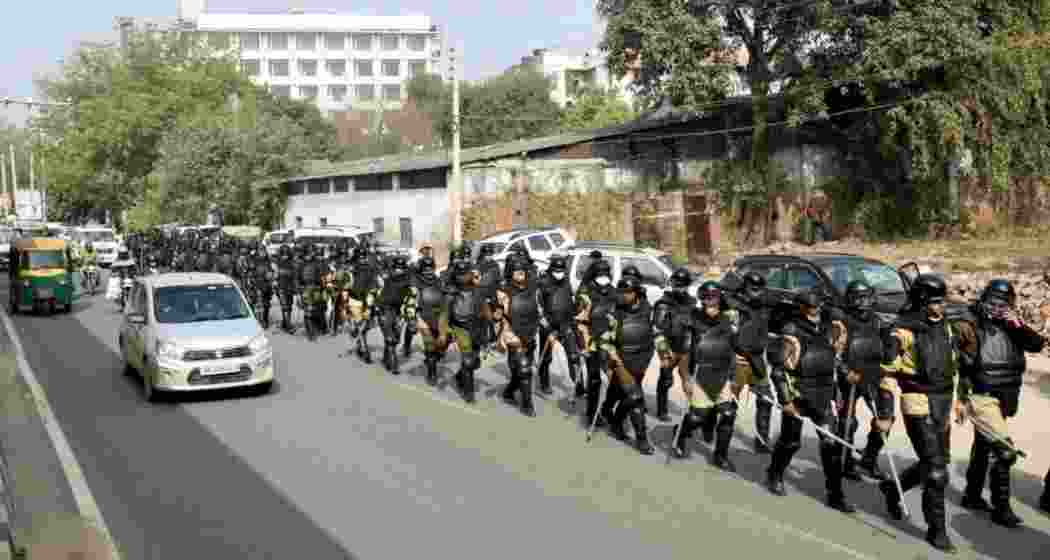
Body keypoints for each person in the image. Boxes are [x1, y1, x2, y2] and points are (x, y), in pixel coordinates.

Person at [954, 279, 1045, 527]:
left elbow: (1037, 345)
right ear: (984, 299)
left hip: (1006, 393)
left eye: (1003, 303)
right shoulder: (970, 322)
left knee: (984, 444)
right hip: (981, 393)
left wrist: (1018, 326)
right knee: (1004, 450)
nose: (998, 307)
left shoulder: (1011, 324)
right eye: (994, 301)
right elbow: (958, 363)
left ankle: (972, 496)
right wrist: (960, 398)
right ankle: (1001, 507)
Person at [879, 274, 959, 553]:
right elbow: (887, 374)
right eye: (936, 301)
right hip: (917, 399)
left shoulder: (948, 327)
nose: (942, 306)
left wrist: (961, 401)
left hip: (944, 399)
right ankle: (937, 530)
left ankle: (893, 488)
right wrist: (886, 413)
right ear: (923, 301)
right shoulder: (901, 331)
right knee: (936, 472)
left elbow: (955, 364)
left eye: (943, 301)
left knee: (936, 462)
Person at [766, 289, 856, 514]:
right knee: (791, 442)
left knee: (831, 445)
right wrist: (785, 399)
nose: (815, 310)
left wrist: (846, 372)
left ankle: (835, 494)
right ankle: (775, 474)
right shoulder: (791, 329)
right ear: (801, 307)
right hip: (798, 393)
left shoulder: (827, 328)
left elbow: (833, 358)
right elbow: (778, 369)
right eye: (810, 306)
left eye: (817, 306)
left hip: (824, 394)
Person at [830, 281, 896, 481]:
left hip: (874, 376)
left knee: (885, 419)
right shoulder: (840, 323)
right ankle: (845, 462)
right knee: (847, 423)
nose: (862, 303)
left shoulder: (878, 321)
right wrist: (844, 371)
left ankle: (869, 459)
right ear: (849, 300)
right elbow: (831, 352)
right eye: (857, 298)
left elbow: (888, 350)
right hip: (849, 378)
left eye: (865, 297)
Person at [670, 281, 739, 470]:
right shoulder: (691, 320)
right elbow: (684, 352)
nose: (710, 301)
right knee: (696, 418)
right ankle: (681, 434)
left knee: (728, 413)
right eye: (706, 297)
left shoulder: (728, 320)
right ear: (701, 299)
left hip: (721, 374)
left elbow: (732, 351)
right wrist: (686, 378)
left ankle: (720, 456)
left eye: (714, 297)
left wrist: (733, 378)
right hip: (699, 373)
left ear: (720, 298)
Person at [493, 254, 543, 417]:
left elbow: (540, 308)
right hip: (511, 332)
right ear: (510, 271)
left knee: (520, 371)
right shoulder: (503, 289)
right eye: (517, 270)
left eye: (523, 270)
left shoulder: (533, 288)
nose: (520, 273)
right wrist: (497, 317)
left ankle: (508, 392)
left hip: (530, 332)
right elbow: (497, 311)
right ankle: (527, 405)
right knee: (524, 369)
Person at [574, 256, 618, 427]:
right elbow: (579, 323)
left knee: (617, 381)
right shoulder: (586, 295)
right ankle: (592, 413)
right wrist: (583, 345)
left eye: (606, 274)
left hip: (612, 343)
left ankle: (608, 409)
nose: (603, 277)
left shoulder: (615, 293)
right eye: (600, 274)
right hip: (592, 343)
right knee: (595, 380)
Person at [653, 268, 698, 422]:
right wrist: (664, 351)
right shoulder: (664, 304)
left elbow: (697, 327)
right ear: (672, 285)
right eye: (677, 285)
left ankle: (694, 410)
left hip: (686, 348)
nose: (680, 288)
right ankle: (661, 410)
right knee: (666, 380)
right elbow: (657, 330)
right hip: (669, 347)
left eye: (683, 285)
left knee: (688, 379)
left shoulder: (692, 303)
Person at [537, 254, 582, 397]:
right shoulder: (543, 283)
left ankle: (578, 385)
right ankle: (544, 382)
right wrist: (547, 329)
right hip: (548, 325)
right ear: (551, 269)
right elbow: (538, 309)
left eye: (562, 270)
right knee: (546, 357)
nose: (559, 273)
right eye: (557, 270)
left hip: (565, 324)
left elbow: (570, 301)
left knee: (573, 355)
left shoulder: (566, 282)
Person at [376, 255, 418, 375]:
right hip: (385, 310)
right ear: (393, 268)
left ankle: (386, 357)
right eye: (396, 267)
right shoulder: (386, 278)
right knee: (390, 338)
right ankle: (393, 364)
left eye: (401, 268)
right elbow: (375, 287)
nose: (398, 270)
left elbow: (414, 288)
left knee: (396, 338)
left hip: (398, 311)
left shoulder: (409, 279)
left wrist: (414, 290)